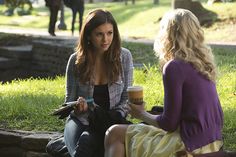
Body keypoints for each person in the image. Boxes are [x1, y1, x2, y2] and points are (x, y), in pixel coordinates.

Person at [104, 9, 224, 157]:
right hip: (212, 143)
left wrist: (140, 114)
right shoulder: (205, 63)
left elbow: (169, 123)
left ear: (167, 36)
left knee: (114, 133)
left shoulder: (174, 67)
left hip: (187, 146)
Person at [63, 8, 133, 157]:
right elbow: (69, 101)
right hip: (82, 120)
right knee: (82, 149)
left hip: (112, 120)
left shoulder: (124, 57)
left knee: (88, 143)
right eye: (99, 34)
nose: (105, 40)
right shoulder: (76, 61)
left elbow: (127, 99)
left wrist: (111, 117)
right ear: (88, 35)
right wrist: (78, 108)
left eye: (109, 33)